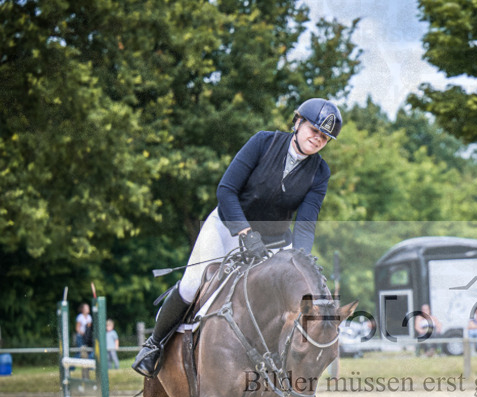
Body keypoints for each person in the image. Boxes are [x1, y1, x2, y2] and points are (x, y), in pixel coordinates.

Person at [133, 98, 344, 377]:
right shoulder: (263, 142)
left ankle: (276, 369)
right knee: (192, 285)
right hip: (227, 225)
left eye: (324, 137)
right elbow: (226, 190)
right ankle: (154, 345)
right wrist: (245, 232)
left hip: (274, 242)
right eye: (314, 130)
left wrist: (300, 261)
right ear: (297, 122)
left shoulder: (320, 171)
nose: (317, 139)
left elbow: (305, 224)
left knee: (283, 300)